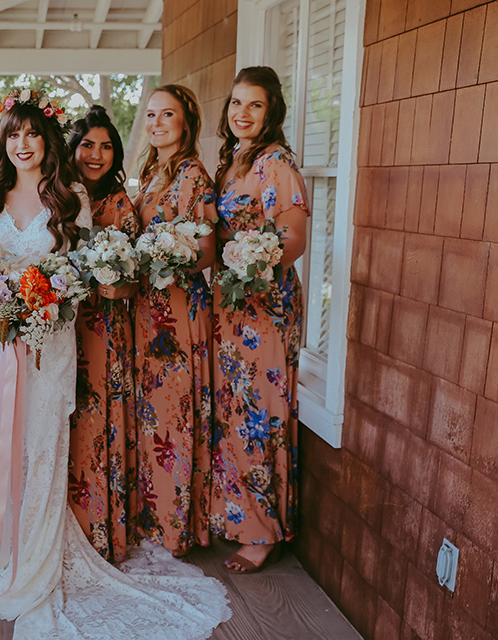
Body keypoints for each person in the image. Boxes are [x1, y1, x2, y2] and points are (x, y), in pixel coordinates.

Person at [0, 89, 230, 639]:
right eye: (14, 134)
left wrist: (40, 303)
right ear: (5, 141)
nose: (23, 144)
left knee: (38, 447)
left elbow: (77, 278)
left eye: (33, 134)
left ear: (46, 142)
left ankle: (33, 565)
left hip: (46, 346)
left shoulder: (69, 200)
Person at [211, 66, 308, 573]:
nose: (242, 114)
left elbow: (293, 239)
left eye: (255, 105)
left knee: (260, 412)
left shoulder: (275, 164)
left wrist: (251, 264)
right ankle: (238, 515)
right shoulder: (234, 161)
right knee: (235, 408)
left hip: (265, 305)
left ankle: (264, 531)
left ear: (271, 113)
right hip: (233, 304)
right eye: (236, 104)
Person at [132, 84, 217, 558]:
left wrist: (167, 255)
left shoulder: (192, 174)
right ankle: (156, 515)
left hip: (179, 308)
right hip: (149, 309)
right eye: (151, 115)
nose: (158, 123)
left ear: (186, 122)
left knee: (176, 413)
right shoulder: (152, 173)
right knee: (155, 414)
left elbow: (206, 250)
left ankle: (176, 526)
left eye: (168, 115)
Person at [66, 105, 139, 563]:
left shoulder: (120, 206)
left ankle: (102, 529)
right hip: (59, 329)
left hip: (106, 330)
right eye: (88, 144)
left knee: (100, 423)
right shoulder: (56, 198)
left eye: (107, 146)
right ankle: (62, 529)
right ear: (72, 149)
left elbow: (138, 279)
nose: (96, 154)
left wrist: (119, 285)